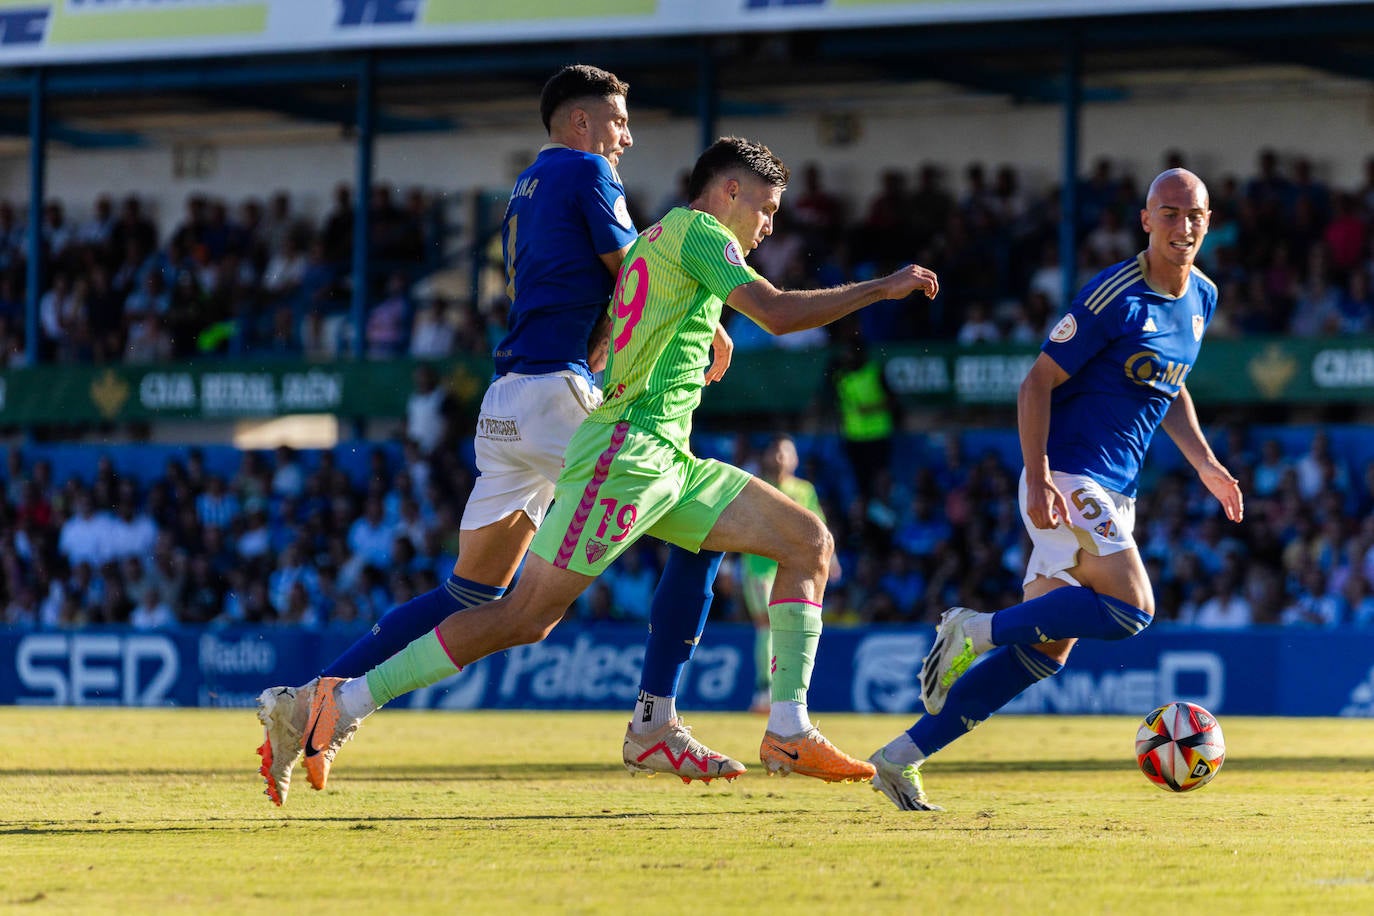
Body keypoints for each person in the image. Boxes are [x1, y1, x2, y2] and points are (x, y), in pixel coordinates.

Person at [275, 136, 939, 797]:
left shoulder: (660, 241)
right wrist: (883, 288)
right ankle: (350, 700)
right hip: (625, 454)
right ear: (729, 191)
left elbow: (626, 328)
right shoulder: (703, 231)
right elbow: (777, 312)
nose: (769, 226)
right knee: (523, 616)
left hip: (668, 461)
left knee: (806, 541)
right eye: (765, 209)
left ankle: (784, 729)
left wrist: (692, 333)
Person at [256, 64, 739, 806]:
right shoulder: (588, 171)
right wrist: (710, 325)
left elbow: (591, 294)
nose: (626, 136)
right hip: (557, 396)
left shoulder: (527, 187)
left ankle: (312, 701)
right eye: (616, 121)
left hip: (507, 400)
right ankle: (657, 721)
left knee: (470, 591)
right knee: (702, 533)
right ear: (580, 124)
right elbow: (638, 274)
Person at [866, 168, 1243, 811]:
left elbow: (1169, 384)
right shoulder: (1113, 296)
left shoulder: (1202, 297)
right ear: (1146, 220)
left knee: (1043, 654)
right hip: (1069, 474)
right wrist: (1038, 474)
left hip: (1114, 488)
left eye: (1195, 216)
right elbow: (1034, 384)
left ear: (1209, 222)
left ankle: (900, 758)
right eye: (1170, 214)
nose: (1184, 227)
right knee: (1131, 609)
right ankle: (973, 628)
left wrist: (1205, 463)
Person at [738, 435, 834, 713]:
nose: (780, 458)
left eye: (786, 453)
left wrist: (832, 559)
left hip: (790, 568)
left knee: (786, 627)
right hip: (758, 566)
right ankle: (763, 690)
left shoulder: (804, 490)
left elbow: (819, 528)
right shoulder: (758, 487)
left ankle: (782, 691)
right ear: (767, 456)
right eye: (776, 452)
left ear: (795, 459)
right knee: (765, 625)